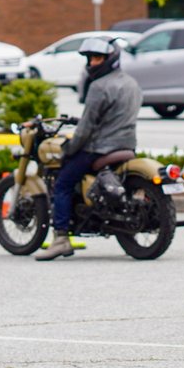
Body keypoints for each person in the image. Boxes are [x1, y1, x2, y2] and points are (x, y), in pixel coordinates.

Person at [35, 37, 141, 261]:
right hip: (127, 145)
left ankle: (61, 239)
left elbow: (85, 129)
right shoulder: (131, 83)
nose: (92, 63)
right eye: (90, 58)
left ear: (109, 59)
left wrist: (69, 148)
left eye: (97, 58)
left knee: (63, 182)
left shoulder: (99, 86)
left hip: (100, 147)